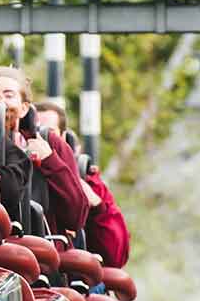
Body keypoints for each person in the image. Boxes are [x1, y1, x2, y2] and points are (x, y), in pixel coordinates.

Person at [0, 66, 88, 234]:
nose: (0, 102)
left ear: (24, 108)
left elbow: (76, 217)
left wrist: (50, 160)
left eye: (8, 95)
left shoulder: (49, 143)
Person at [34, 102, 130, 267]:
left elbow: (116, 256)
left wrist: (97, 206)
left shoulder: (88, 180)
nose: (41, 139)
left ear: (63, 138)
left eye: (49, 133)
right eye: (36, 131)